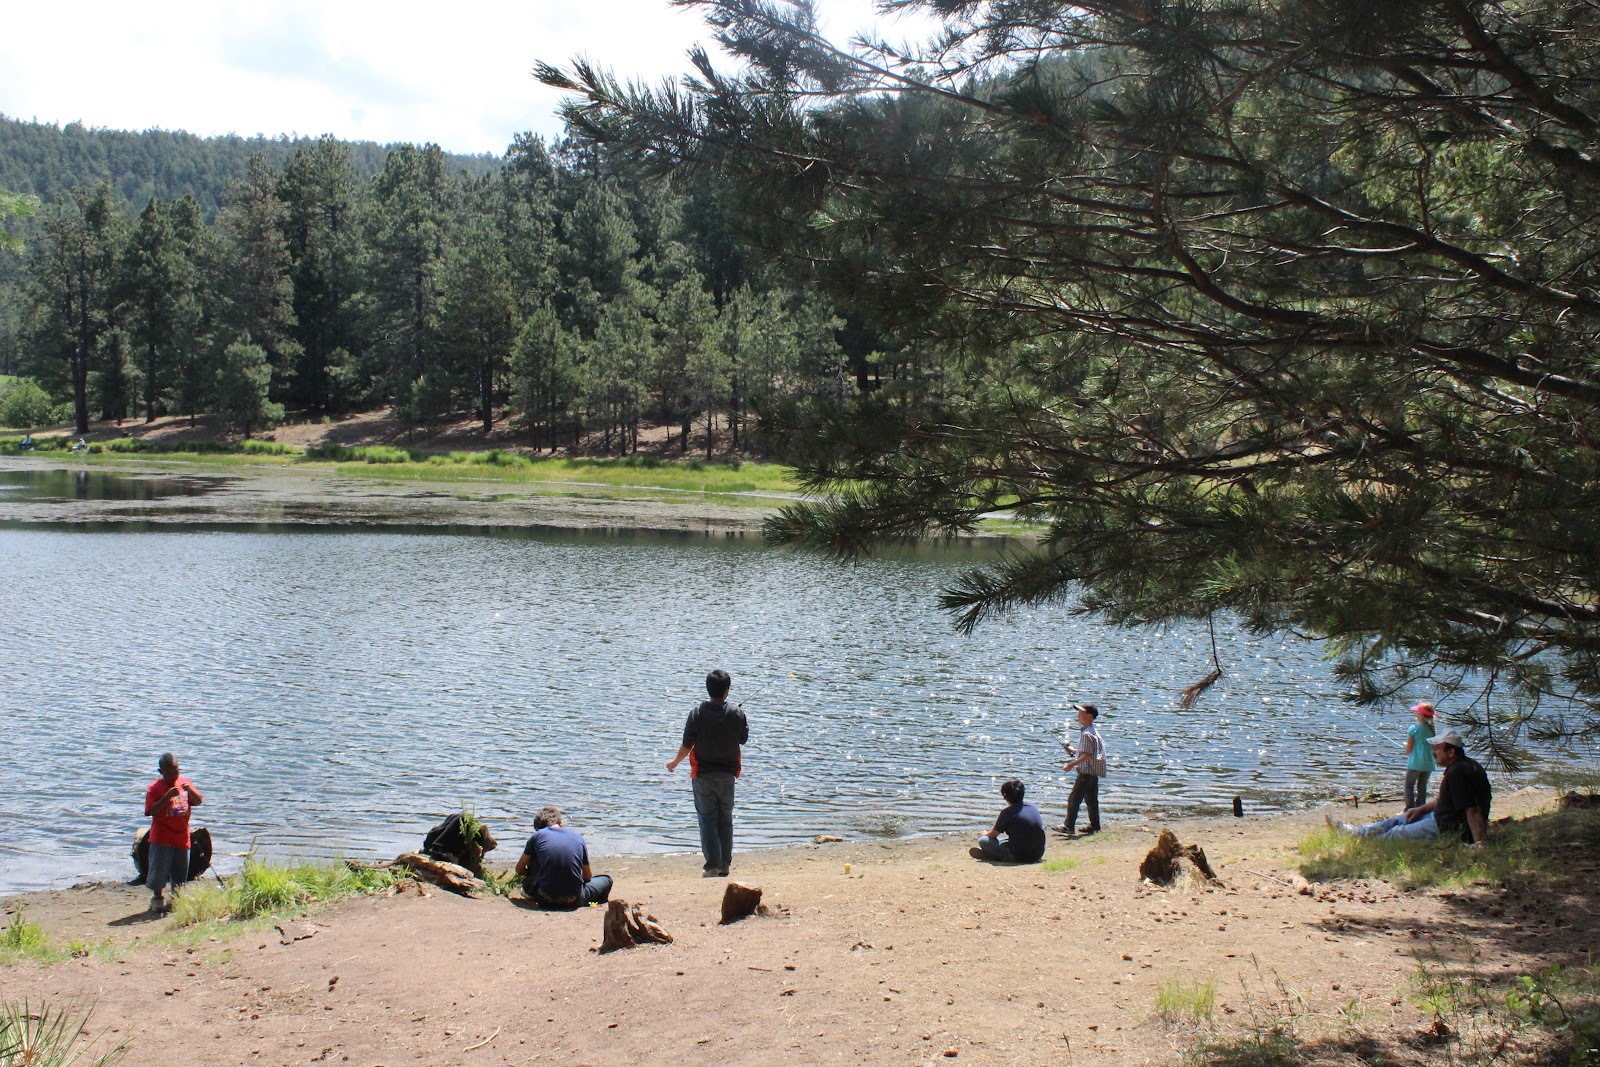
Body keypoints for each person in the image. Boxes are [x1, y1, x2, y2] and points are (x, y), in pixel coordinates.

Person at [1335, 727, 1491, 846]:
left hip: (1446, 827)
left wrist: (1479, 842)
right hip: (1440, 817)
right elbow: (1447, 799)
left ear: (1451, 752)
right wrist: (1419, 809)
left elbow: (1473, 809)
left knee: (1397, 833)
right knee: (1402, 818)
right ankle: (1359, 832)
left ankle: (1361, 844)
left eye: (1437, 748)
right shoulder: (1469, 764)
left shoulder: (1457, 772)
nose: (1433, 752)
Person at [666, 668, 749, 877]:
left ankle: (712, 865)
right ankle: (725, 864)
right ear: (727, 691)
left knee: (707, 819)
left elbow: (687, 745)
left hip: (703, 774)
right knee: (725, 818)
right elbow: (743, 738)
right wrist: (735, 717)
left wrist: (675, 762)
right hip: (728, 775)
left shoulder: (697, 713)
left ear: (708, 689)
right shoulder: (737, 713)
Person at [515, 807, 613, 909]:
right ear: (561, 822)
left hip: (544, 898)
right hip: (574, 899)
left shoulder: (537, 836)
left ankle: (531, 891)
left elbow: (519, 869)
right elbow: (587, 876)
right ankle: (596, 901)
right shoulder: (577, 836)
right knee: (606, 880)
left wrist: (533, 874)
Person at [143, 753, 203, 913]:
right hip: (161, 837)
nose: (174, 776)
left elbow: (198, 801)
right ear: (161, 771)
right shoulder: (154, 788)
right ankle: (157, 897)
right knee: (159, 869)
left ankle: (176, 897)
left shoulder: (184, 783)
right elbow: (150, 811)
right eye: (169, 773)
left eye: (176, 771)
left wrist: (190, 789)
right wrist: (166, 797)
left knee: (180, 870)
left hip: (181, 836)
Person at [971, 778, 1046, 863]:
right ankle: (998, 854)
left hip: (1017, 856)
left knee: (983, 840)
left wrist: (984, 834)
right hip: (1038, 853)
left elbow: (993, 835)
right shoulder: (1032, 806)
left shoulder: (1007, 813)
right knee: (1010, 840)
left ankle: (997, 856)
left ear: (1004, 797)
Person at [1059, 703, 1107, 836]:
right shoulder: (1092, 732)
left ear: (1090, 716)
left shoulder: (1087, 734)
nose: (1078, 715)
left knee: (1074, 799)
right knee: (1091, 800)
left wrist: (1071, 765)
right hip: (1093, 773)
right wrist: (1071, 750)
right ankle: (1095, 826)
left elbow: (1087, 755)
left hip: (1086, 772)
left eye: (1081, 713)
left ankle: (1068, 826)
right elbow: (1085, 752)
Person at [1403, 702, 1439, 809]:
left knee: (1409, 785)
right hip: (1428, 763)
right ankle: (1420, 806)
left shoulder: (1414, 728)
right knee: (1422, 786)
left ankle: (1409, 808)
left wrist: (1407, 751)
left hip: (1416, 763)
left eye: (1417, 713)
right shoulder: (1432, 729)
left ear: (1420, 715)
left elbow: (1409, 749)